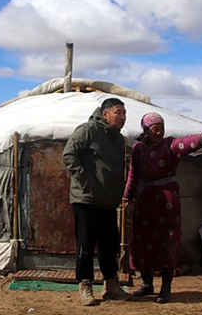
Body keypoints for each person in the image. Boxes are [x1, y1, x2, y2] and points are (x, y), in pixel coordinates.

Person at [123, 112, 202, 304]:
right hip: (145, 200)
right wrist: (127, 195)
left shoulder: (169, 145)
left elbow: (185, 144)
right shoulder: (138, 149)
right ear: (146, 130)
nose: (159, 132)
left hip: (167, 200)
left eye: (162, 128)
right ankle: (147, 284)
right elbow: (133, 174)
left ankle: (166, 288)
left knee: (167, 241)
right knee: (142, 241)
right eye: (155, 129)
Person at [62, 97, 133, 306]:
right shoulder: (87, 130)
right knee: (86, 244)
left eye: (124, 113)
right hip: (87, 199)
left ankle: (111, 286)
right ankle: (85, 286)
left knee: (109, 245)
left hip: (108, 200)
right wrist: (84, 180)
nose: (123, 117)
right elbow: (69, 155)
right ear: (105, 114)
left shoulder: (119, 139)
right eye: (118, 112)